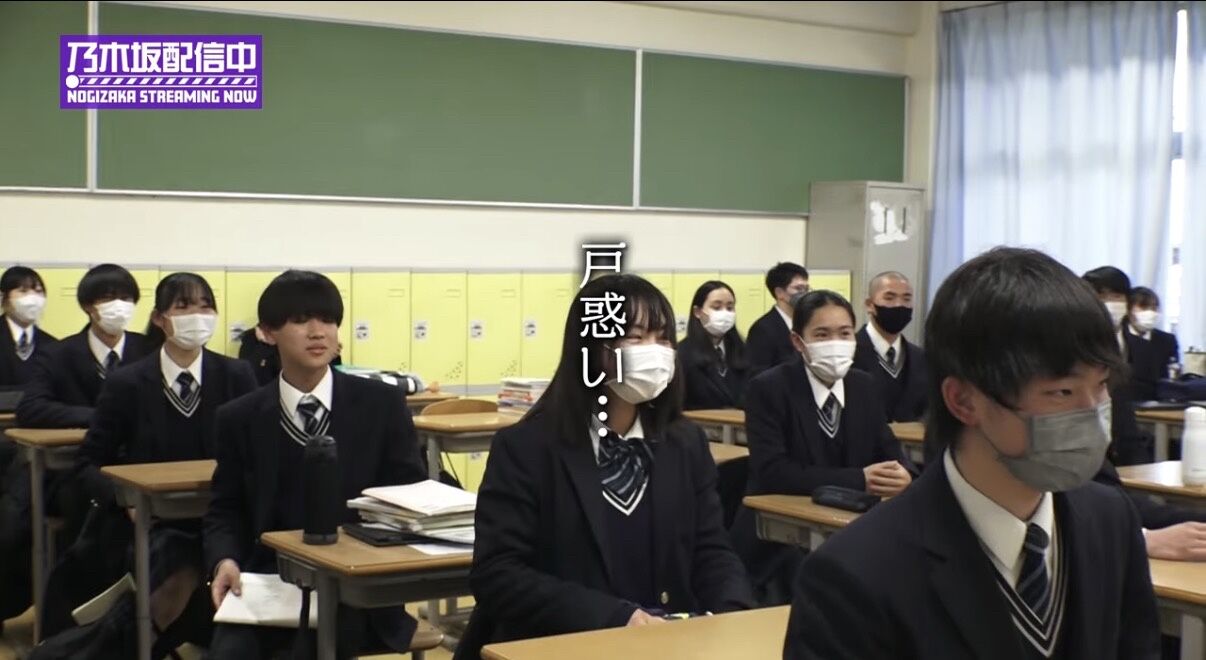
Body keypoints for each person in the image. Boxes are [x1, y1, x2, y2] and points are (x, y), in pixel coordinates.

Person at [785, 247, 1159, 659]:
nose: (1091, 414)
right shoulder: (854, 574)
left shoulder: (1110, 521)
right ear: (964, 401)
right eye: (1062, 392)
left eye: (1102, 386)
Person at [456, 274, 754, 659]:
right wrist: (616, 618)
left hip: (666, 646)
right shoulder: (526, 447)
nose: (654, 351)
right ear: (590, 349)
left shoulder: (685, 443)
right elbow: (498, 574)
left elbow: (711, 549)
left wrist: (732, 612)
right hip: (562, 647)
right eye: (634, 337)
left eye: (663, 338)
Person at [204, 270, 427, 658]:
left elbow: (406, 499)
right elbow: (226, 507)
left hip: (356, 584)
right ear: (267, 333)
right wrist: (224, 560)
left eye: (327, 320)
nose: (318, 332)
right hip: (270, 581)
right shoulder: (240, 417)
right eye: (300, 320)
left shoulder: (381, 405)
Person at [38, 273, 257, 653]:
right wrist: (124, 499)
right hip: (148, 522)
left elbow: (255, 456)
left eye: (206, 306)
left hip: (220, 517)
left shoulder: (236, 375)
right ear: (159, 318)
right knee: (176, 559)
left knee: (208, 556)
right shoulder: (128, 383)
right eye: (183, 306)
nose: (197, 316)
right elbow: (88, 463)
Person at [733, 289, 914, 605]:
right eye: (822, 334)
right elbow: (773, 472)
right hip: (778, 543)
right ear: (798, 341)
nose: (835, 343)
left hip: (853, 531)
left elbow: (890, 452)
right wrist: (859, 479)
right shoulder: (769, 388)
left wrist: (904, 476)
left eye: (844, 333)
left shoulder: (863, 386)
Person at [17, 263, 151, 428]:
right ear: (87, 305)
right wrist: (101, 416)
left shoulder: (149, 350)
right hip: (78, 441)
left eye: (126, 298)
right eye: (108, 298)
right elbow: (30, 409)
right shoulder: (56, 355)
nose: (118, 306)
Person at [1081, 267, 1153, 464]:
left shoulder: (1142, 347)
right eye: (1101, 296)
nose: (1109, 303)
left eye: (1116, 296)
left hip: (1129, 442)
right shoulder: (1075, 347)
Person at [852, 271, 928, 422]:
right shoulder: (849, 353)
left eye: (906, 298)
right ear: (870, 305)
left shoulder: (922, 358)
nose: (899, 305)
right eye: (889, 298)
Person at [678, 280, 748, 410]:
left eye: (730, 308)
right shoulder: (682, 354)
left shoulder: (744, 350)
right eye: (716, 307)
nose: (725, 313)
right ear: (697, 312)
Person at [746, 262, 809, 377]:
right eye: (798, 288)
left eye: (806, 289)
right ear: (779, 293)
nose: (804, 294)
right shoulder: (763, 329)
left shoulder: (808, 323)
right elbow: (758, 374)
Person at [0, 266, 57, 391]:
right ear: (4, 297)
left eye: (38, 291)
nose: (32, 299)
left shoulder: (52, 346)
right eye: (23, 291)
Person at [1123, 287, 1180, 401]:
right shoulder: (1118, 337)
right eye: (1143, 307)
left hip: (1158, 400)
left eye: (1154, 308)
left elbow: (1171, 373)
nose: (1150, 313)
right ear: (1129, 310)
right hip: (1126, 398)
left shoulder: (1167, 340)